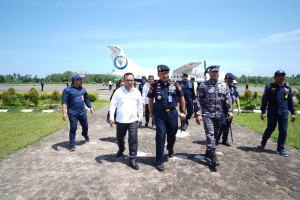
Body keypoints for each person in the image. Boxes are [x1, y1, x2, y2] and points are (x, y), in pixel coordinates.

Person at [148, 65, 186, 171]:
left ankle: (170, 148)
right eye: (162, 74)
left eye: (167, 73)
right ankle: (159, 161)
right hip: (159, 115)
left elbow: (181, 98)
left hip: (172, 114)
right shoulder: (154, 86)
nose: (165, 75)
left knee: (172, 135)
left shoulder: (175, 84)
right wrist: (151, 114)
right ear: (158, 75)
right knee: (160, 136)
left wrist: (183, 112)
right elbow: (150, 101)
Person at [195, 65, 233, 167]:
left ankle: (208, 151)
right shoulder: (203, 85)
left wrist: (230, 111)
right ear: (209, 73)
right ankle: (212, 155)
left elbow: (228, 99)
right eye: (213, 72)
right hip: (207, 114)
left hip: (219, 114)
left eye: (216, 72)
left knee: (215, 135)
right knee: (210, 134)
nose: (215, 73)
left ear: (219, 73)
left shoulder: (223, 85)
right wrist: (198, 113)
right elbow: (198, 100)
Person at [109, 72, 143, 170]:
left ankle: (132, 158)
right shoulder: (118, 92)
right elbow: (113, 105)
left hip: (133, 119)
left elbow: (140, 106)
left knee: (133, 139)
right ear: (123, 81)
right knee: (119, 137)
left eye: (131, 80)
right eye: (127, 80)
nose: (130, 82)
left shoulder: (137, 92)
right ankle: (121, 149)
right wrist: (112, 117)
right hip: (120, 120)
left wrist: (140, 118)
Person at [260, 70, 296, 157]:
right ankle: (264, 139)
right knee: (271, 128)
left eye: (283, 76)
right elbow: (265, 100)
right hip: (273, 113)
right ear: (275, 77)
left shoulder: (287, 88)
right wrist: (263, 112)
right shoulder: (270, 87)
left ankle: (280, 148)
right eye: (279, 76)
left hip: (284, 113)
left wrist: (293, 113)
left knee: (283, 131)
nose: (281, 77)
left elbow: (290, 101)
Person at [62, 74, 94, 151]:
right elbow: (64, 102)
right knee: (73, 127)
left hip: (82, 112)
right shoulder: (67, 90)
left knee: (85, 126)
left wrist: (90, 106)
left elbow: (86, 99)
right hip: (73, 113)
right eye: (80, 80)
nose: (81, 81)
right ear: (75, 81)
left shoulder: (83, 89)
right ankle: (72, 143)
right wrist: (64, 113)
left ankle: (84, 134)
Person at [217, 73, 241, 146]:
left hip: (229, 109)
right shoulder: (220, 87)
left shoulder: (234, 88)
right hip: (221, 109)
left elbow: (236, 97)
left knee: (227, 125)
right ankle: (217, 138)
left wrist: (239, 107)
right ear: (225, 79)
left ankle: (225, 139)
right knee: (222, 124)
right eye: (228, 81)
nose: (230, 82)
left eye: (231, 81)